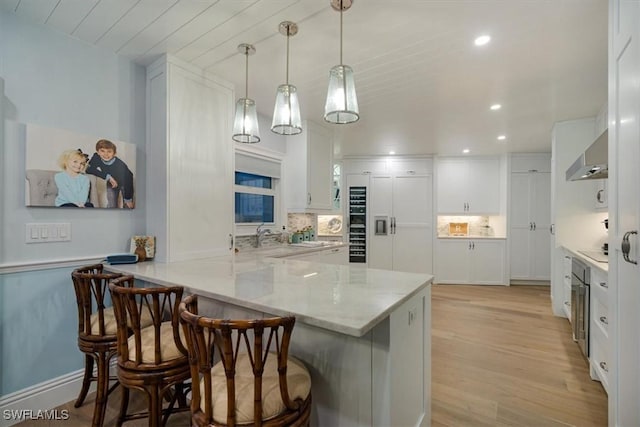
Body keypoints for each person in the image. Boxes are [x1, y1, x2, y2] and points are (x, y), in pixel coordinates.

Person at [86, 139, 134, 209]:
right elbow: (89, 169)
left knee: (128, 205)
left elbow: (129, 179)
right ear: (98, 152)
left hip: (125, 183)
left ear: (114, 153)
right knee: (111, 204)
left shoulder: (119, 164)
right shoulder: (96, 157)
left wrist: (128, 199)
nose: (106, 154)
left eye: (109, 151)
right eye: (102, 151)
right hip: (111, 182)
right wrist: (108, 177)